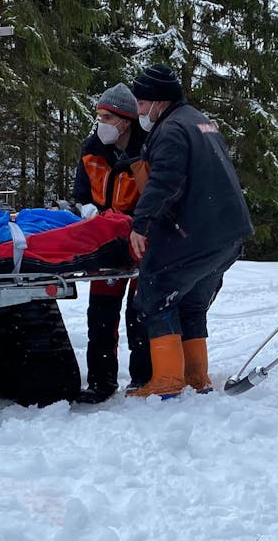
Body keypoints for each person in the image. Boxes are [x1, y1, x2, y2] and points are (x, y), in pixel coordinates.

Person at [127, 63, 253, 397]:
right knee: (192, 302)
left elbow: (165, 180)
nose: (138, 110)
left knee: (155, 291)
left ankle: (168, 381)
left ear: (158, 101)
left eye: (141, 103)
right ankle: (197, 376)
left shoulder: (170, 130)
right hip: (228, 233)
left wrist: (141, 224)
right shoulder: (201, 121)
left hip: (200, 233)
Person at [70, 83, 150, 403]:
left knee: (139, 311)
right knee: (101, 313)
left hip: (141, 237)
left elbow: (156, 194)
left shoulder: (146, 150)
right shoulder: (92, 149)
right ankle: (101, 381)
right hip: (106, 239)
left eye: (107, 116)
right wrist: (87, 209)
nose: (100, 122)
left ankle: (143, 378)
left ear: (124, 121)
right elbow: (81, 193)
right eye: (98, 115)